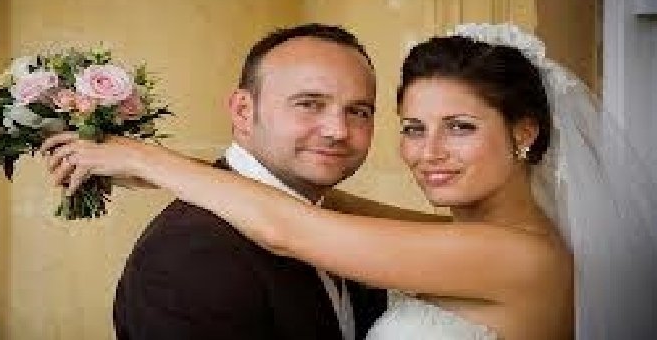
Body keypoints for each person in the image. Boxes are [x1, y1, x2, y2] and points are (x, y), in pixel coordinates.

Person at [42, 23, 657, 339]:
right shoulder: (492, 238)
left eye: (461, 127)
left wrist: (144, 158)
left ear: (524, 132)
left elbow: (291, 227)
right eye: (412, 128)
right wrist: (198, 173)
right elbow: (321, 206)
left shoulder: (518, 258)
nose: (429, 154)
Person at [48, 23, 408, 340]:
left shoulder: (350, 229)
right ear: (243, 111)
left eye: (358, 111)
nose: (338, 130)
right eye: (309, 104)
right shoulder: (187, 255)